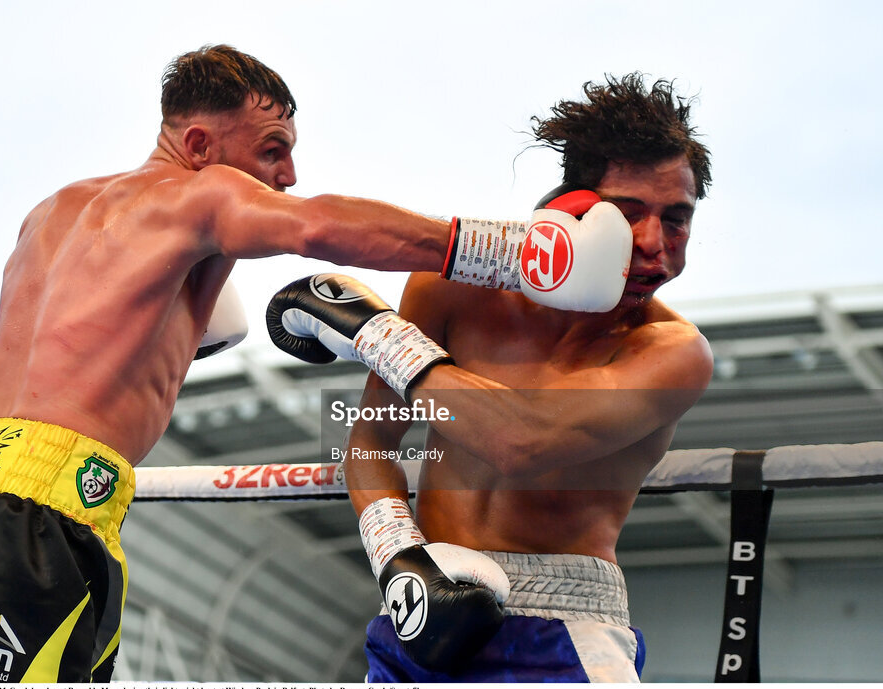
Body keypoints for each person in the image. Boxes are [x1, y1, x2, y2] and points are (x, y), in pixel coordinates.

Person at [0, 44, 536, 683]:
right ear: (200, 145)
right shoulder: (200, 196)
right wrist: (515, 253)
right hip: (41, 522)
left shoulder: (53, 211)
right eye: (271, 149)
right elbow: (317, 227)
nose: (287, 176)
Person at [266, 73, 714, 682]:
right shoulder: (453, 292)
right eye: (629, 213)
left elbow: (522, 441)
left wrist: (374, 333)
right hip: (421, 602)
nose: (654, 243)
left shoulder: (671, 352)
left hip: (566, 629)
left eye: (678, 219)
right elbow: (371, 442)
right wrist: (398, 555)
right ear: (573, 212)